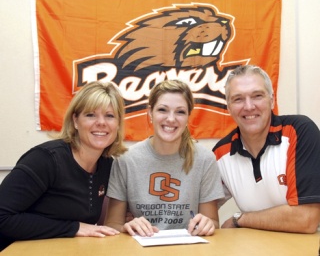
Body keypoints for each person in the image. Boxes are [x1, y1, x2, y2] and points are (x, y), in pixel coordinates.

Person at [0, 81, 127, 251]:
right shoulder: (45, 159)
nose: (101, 123)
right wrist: (73, 227)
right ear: (75, 121)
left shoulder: (107, 165)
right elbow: (2, 217)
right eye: (90, 115)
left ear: (118, 124)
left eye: (110, 116)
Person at [105, 79, 224, 237]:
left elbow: (213, 223)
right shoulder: (125, 160)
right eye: (163, 110)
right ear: (150, 112)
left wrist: (207, 225)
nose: (171, 119)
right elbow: (112, 225)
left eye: (180, 112)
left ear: (189, 116)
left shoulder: (205, 159)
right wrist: (128, 227)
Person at [212, 64, 320, 233]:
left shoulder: (299, 131)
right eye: (238, 99)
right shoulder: (220, 153)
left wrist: (240, 219)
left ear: (272, 100)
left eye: (257, 96)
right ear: (228, 107)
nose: (249, 107)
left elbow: (306, 219)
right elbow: (199, 209)